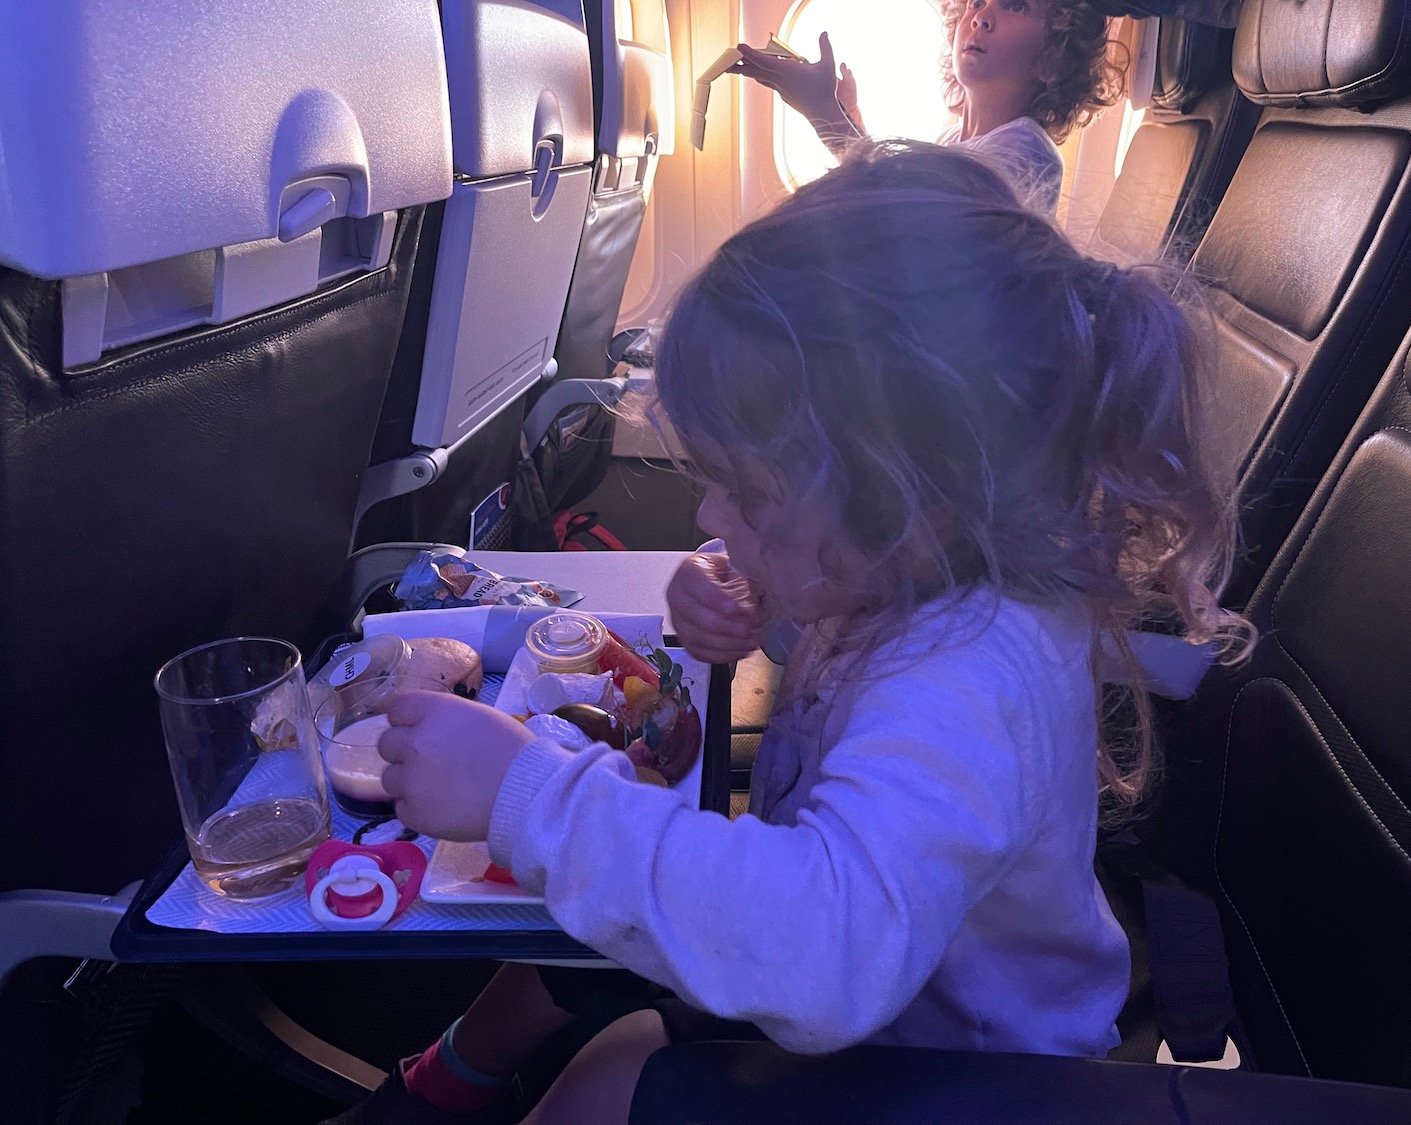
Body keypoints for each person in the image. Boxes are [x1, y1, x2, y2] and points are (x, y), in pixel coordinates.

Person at [330, 140, 1250, 1125]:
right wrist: (745, 606)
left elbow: (830, 949)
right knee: (582, 932)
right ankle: (451, 1082)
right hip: (890, 996)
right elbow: (854, 702)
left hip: (981, 1073)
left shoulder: (972, 676)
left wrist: (528, 794)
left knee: (616, 1074)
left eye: (751, 495)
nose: (708, 522)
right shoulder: (907, 577)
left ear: (904, 499)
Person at [733, 0, 1126, 214]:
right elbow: (904, 191)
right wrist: (848, 119)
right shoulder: (954, 139)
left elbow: (918, 213)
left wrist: (825, 114)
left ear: (1053, 60)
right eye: (975, 3)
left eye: (1015, 6)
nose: (982, 17)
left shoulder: (1027, 151)